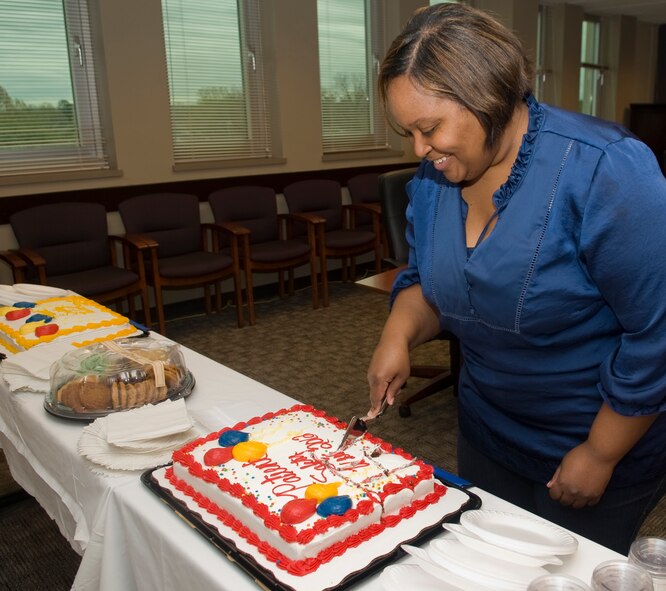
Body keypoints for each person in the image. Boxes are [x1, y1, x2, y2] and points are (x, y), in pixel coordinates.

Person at [366, 3, 666, 554]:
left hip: (592, 441)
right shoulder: (435, 177)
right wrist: (398, 336)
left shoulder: (606, 171)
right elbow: (427, 282)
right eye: (407, 132)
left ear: (489, 97)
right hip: (486, 431)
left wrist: (600, 454)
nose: (418, 150)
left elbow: (656, 334)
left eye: (429, 128)